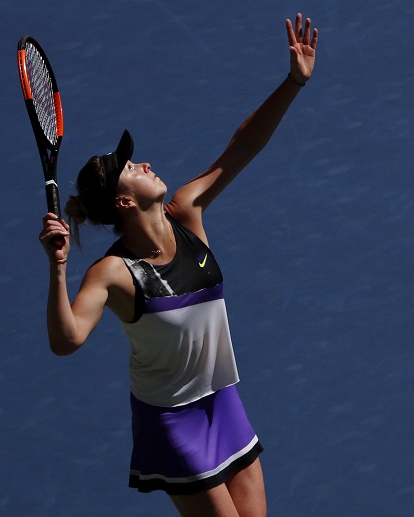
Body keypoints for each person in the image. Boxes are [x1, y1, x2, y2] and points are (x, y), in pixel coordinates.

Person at [38, 13, 317, 517]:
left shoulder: (186, 211)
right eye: (131, 168)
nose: (143, 163)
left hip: (223, 400)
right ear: (124, 202)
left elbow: (242, 146)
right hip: (172, 420)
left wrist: (292, 83)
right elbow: (67, 340)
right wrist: (59, 268)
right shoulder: (113, 273)